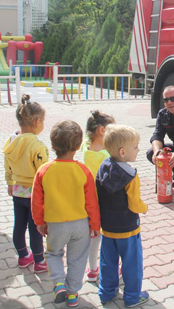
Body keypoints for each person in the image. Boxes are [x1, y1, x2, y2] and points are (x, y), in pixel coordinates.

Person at [32, 120, 100, 307]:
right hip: (80, 224)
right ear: (78, 146)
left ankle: (59, 283)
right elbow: (91, 202)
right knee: (77, 259)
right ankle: (73, 293)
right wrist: (95, 225)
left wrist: (39, 221)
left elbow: (36, 200)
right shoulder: (83, 170)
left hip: (55, 224)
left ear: (53, 145)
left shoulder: (44, 170)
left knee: (53, 254)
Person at [97, 124, 149, 307]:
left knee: (107, 262)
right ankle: (132, 297)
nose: (138, 150)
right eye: (135, 147)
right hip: (128, 229)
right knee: (131, 264)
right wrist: (145, 207)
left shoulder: (103, 167)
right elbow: (135, 204)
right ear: (122, 151)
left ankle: (105, 293)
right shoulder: (131, 176)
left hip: (108, 228)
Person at [3, 94, 48, 273]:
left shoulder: (11, 141)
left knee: (19, 225)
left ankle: (23, 257)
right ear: (37, 121)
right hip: (34, 193)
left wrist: (9, 182)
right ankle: (39, 261)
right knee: (35, 227)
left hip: (17, 190)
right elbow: (43, 171)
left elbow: (7, 164)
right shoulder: (36, 145)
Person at [81, 110, 115, 282]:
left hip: (88, 200)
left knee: (93, 236)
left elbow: (87, 141)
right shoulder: (106, 156)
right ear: (102, 131)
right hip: (105, 201)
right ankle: (112, 268)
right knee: (109, 236)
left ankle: (92, 270)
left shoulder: (86, 148)